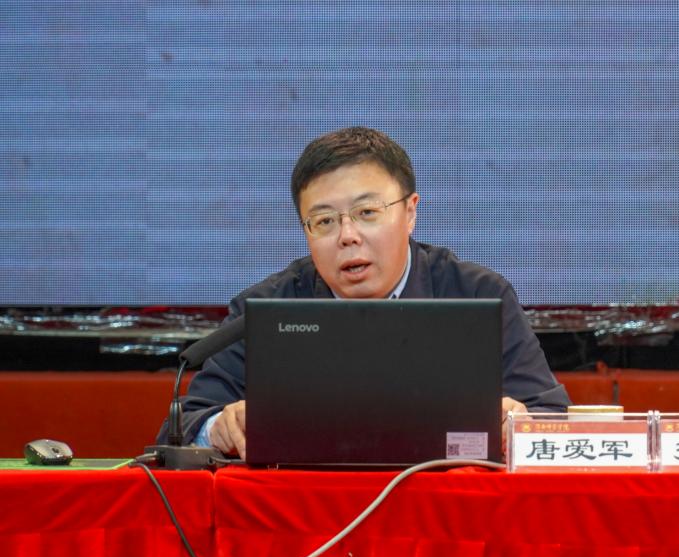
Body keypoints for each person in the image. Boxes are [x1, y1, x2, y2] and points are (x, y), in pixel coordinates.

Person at [157, 126, 571, 460]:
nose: (348, 236)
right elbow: (186, 425)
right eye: (324, 221)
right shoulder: (265, 307)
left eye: (367, 213)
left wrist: (518, 423)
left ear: (410, 212)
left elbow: (549, 415)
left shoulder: (478, 294)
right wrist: (219, 427)